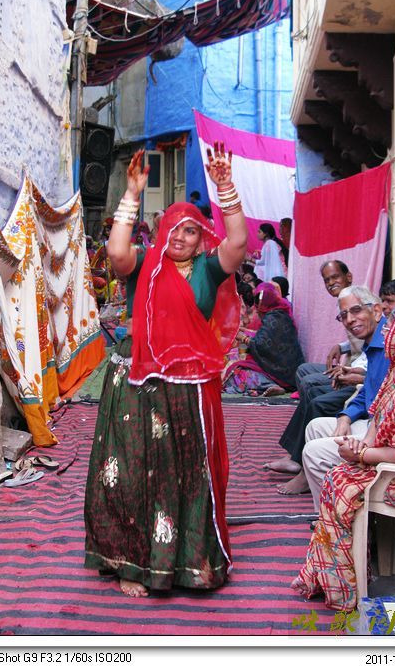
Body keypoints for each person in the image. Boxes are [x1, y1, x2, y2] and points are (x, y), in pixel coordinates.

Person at [84, 142, 247, 597]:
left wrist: (226, 188)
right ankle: (131, 563)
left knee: (190, 474)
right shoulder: (144, 265)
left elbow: (238, 242)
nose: (180, 237)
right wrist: (132, 193)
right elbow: (116, 251)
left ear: (201, 238)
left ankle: (189, 563)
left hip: (191, 390)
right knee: (132, 471)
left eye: (190, 231)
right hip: (138, 382)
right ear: (160, 231)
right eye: (173, 229)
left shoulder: (209, 271)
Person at [291, 301, 395, 611]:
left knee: (340, 482)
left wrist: (363, 454)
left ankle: (344, 583)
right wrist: (360, 446)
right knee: (338, 476)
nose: (387, 334)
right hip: (392, 464)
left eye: (394, 329)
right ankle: (333, 573)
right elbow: (376, 415)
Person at [277, 286, 390, 495]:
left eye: (356, 311)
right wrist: (346, 417)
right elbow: (368, 391)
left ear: (376, 311)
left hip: (383, 432)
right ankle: (328, 497)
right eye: (344, 315)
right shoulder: (373, 342)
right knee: (315, 427)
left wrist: (365, 444)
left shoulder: (389, 344)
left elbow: (386, 406)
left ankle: (334, 510)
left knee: (313, 450)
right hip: (373, 422)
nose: (350, 320)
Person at [264, 260, 362, 475]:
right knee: (304, 370)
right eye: (327, 280)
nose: (331, 283)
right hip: (355, 369)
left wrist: (353, 371)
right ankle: (297, 446)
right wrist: (342, 347)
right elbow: (361, 341)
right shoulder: (346, 302)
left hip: (360, 376)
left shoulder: (360, 302)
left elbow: (372, 350)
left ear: (349, 277)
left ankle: (298, 457)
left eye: (335, 277)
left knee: (311, 387)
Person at [223, 282, 304, 397]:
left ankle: (269, 385)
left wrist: (244, 338)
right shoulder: (281, 315)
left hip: (279, 375)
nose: (257, 309)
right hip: (288, 372)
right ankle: (267, 386)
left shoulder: (272, 318)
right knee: (234, 356)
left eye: (258, 304)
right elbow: (266, 340)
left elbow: (261, 345)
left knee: (237, 371)